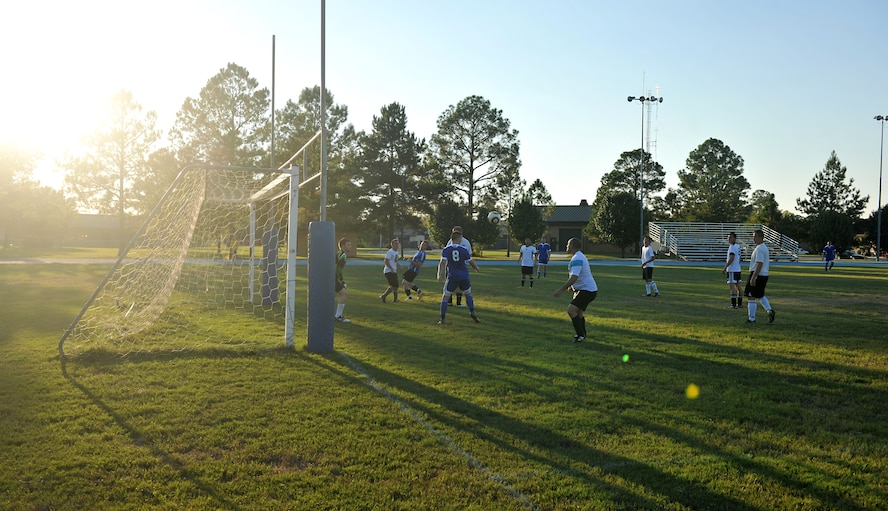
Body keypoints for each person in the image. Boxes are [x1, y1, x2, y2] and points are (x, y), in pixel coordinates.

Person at [553, 237, 598, 343]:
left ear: (572, 246)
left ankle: (580, 335)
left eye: (568, 244)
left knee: (571, 310)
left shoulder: (577, 258)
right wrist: (573, 287)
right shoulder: (579, 256)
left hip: (587, 290)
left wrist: (561, 290)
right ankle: (583, 334)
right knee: (578, 312)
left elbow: (574, 277)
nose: (566, 246)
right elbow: (579, 275)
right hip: (588, 289)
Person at [437, 230, 481, 324]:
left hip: (452, 276)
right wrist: (476, 268)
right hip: (464, 276)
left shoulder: (446, 249)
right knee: (468, 294)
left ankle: (442, 318)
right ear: (457, 238)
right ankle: (472, 312)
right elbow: (470, 261)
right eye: (460, 238)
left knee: (445, 297)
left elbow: (442, 263)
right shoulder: (463, 249)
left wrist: (439, 274)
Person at [744, 229, 775, 324]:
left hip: (758, 274)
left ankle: (751, 319)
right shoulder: (763, 247)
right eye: (753, 236)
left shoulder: (759, 249)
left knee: (751, 296)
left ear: (761, 237)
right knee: (760, 295)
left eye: (756, 236)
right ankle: (769, 310)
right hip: (764, 274)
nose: (754, 238)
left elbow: (759, 263)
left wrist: (753, 277)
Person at [441, 226, 472, 307]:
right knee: (455, 285)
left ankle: (454, 302)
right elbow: (469, 255)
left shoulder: (461, 242)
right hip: (457, 266)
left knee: (454, 284)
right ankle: (452, 302)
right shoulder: (465, 242)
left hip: (455, 266)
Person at [722, 232, 743, 309]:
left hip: (732, 269)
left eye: (730, 237)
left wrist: (725, 267)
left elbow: (732, 258)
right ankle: (740, 303)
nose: (729, 239)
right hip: (737, 268)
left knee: (732, 286)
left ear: (734, 238)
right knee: (738, 286)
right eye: (728, 237)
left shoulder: (732, 247)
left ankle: (733, 304)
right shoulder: (738, 246)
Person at [334, 238, 351, 323]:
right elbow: (338, 270)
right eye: (348, 245)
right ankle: (338, 316)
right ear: (343, 246)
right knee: (344, 294)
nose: (350, 247)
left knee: (335, 294)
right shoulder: (343, 255)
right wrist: (342, 281)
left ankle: (322, 311)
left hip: (332, 276)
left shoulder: (339, 253)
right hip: (334, 277)